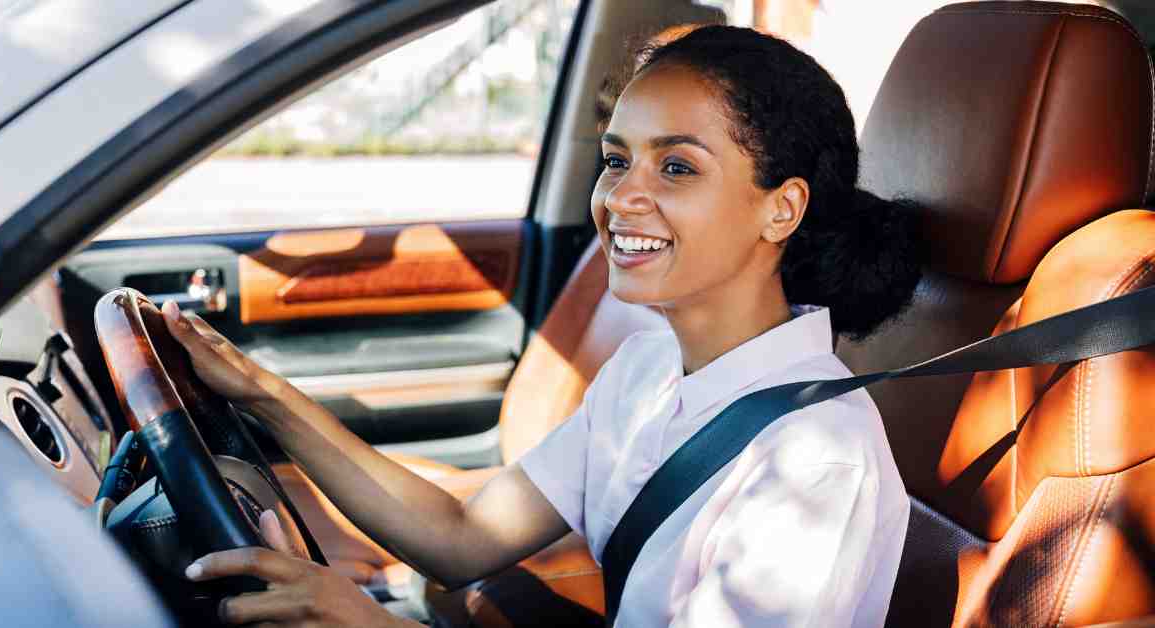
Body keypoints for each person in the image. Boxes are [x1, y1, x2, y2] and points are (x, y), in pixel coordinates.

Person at [165, 24, 920, 628]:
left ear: (781, 208)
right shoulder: (648, 368)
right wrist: (259, 392)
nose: (622, 196)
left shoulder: (816, 461)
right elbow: (464, 534)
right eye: (616, 160)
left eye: (677, 168)